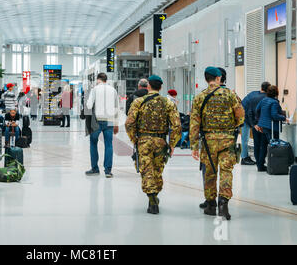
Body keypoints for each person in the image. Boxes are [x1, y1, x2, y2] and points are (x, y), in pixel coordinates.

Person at [190, 67, 244, 220]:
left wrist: (194, 146)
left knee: (209, 172)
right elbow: (241, 116)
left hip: (208, 142)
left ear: (207, 79)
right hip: (227, 140)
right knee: (226, 171)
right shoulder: (230, 95)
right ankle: (223, 203)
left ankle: (210, 204)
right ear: (219, 78)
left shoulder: (200, 97)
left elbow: (194, 122)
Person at [125, 75, 181, 214]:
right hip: (160, 141)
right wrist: (172, 144)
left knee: (146, 170)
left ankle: (152, 199)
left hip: (143, 141)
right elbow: (176, 125)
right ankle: (154, 196)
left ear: (148, 85)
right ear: (161, 87)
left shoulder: (138, 102)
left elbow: (129, 123)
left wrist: (134, 139)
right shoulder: (168, 103)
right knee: (157, 170)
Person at [85, 73, 119, 178]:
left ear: (98, 79)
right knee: (109, 145)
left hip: (96, 121)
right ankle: (108, 171)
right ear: (106, 80)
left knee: (93, 143)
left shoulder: (95, 89)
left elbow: (89, 105)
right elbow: (116, 107)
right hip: (109, 120)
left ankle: (95, 168)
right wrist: (116, 124)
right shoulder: (113, 90)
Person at [255, 85, 288, 172]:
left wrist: (259, 121)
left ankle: (260, 166)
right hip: (271, 128)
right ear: (276, 93)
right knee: (273, 146)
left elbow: (257, 110)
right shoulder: (274, 102)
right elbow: (274, 115)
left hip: (263, 126)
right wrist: (284, 118)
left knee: (263, 146)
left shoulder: (264, 100)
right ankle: (273, 165)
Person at [241, 82, 270, 166]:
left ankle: (245, 156)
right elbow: (254, 112)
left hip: (243, 114)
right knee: (245, 138)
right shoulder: (263, 98)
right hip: (245, 116)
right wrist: (254, 124)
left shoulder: (254, 93)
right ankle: (244, 158)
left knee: (245, 138)